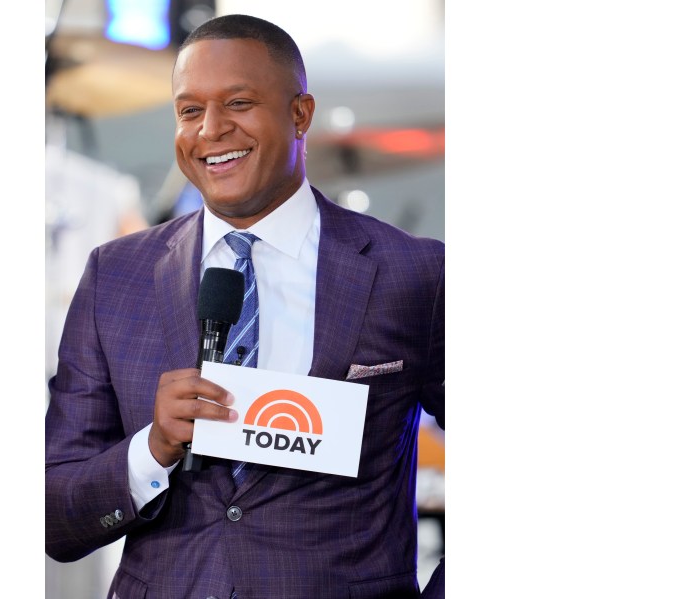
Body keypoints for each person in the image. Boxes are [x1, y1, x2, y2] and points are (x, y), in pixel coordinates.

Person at [46, 13, 444, 599]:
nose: (210, 130)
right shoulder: (117, 275)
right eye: (188, 110)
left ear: (300, 113)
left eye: (238, 102)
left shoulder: (413, 273)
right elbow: (56, 514)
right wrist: (151, 451)